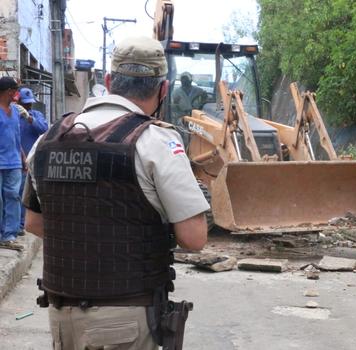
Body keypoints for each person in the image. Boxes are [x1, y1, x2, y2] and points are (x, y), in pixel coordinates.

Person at [23, 36, 209, 350]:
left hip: (60, 316)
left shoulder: (49, 140)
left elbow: (33, 223)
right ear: (163, 90)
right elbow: (194, 237)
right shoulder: (157, 143)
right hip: (127, 320)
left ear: (108, 81)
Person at [17, 87, 48, 234]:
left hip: (31, 162)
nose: (28, 106)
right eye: (25, 103)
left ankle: (22, 223)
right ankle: (13, 224)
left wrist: (29, 118)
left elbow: (44, 129)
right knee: (12, 194)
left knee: (26, 194)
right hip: (14, 160)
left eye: (30, 103)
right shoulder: (12, 115)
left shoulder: (36, 115)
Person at [0, 77, 24, 243]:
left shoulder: (15, 111)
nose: (17, 94)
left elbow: (16, 137)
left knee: (14, 196)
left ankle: (10, 234)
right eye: (15, 90)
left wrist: (22, 156)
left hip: (14, 162)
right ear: (9, 91)